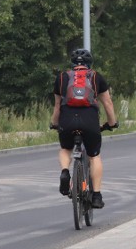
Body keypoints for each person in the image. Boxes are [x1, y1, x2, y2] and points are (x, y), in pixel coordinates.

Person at [51, 48, 119, 208]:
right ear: (89, 64)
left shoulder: (61, 77)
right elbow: (108, 103)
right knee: (94, 155)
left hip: (67, 119)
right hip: (89, 120)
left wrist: (55, 124)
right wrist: (111, 123)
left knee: (65, 148)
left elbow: (57, 106)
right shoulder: (96, 77)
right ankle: (96, 195)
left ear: (72, 64)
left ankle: (65, 172)